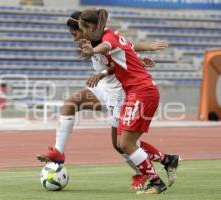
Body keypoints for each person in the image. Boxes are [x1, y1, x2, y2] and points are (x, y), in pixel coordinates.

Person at [37, 11, 179, 191]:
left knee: (122, 144)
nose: (74, 38)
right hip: (105, 88)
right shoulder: (94, 39)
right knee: (71, 103)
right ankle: (58, 152)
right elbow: (127, 48)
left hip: (119, 93)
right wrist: (142, 53)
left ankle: (156, 168)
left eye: (76, 33)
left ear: (86, 28)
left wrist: (101, 63)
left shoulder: (103, 39)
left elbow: (111, 49)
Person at [77, 8, 180, 194]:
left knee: (125, 144)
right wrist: (144, 51)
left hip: (141, 91)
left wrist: (92, 50)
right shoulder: (110, 36)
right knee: (121, 143)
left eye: (82, 30)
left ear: (90, 27)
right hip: (137, 91)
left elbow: (106, 47)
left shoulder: (107, 38)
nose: (81, 35)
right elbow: (124, 51)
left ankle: (156, 182)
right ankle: (167, 161)